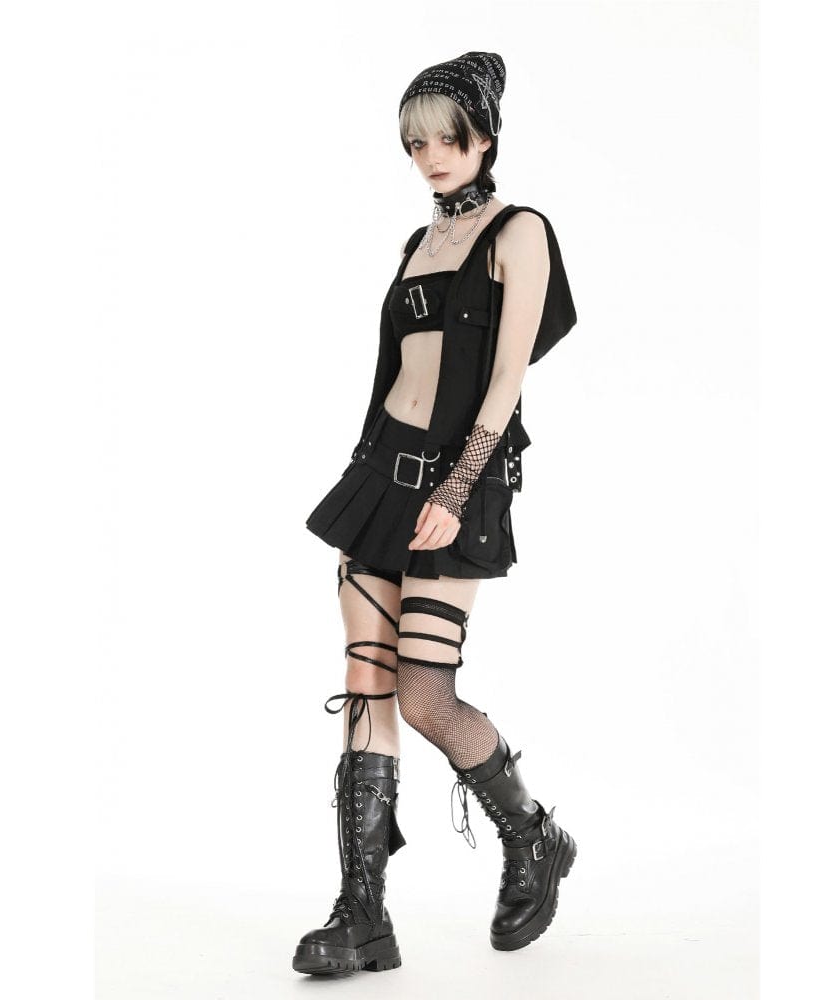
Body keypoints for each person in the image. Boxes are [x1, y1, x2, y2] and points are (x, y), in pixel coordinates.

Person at [293, 51, 578, 976]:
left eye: (446, 138)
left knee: (422, 695)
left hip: (462, 482)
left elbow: (506, 381)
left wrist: (456, 493)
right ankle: (362, 914)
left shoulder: (518, 232)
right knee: (364, 683)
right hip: (380, 475)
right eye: (415, 144)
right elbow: (397, 375)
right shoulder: (416, 244)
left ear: (484, 136)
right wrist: (368, 478)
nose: (431, 157)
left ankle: (531, 833)